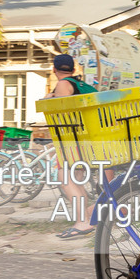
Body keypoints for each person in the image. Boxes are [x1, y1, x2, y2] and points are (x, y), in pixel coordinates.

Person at [45, 53, 98, 240]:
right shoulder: (81, 85)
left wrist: (48, 99)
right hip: (90, 139)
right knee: (75, 180)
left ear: (54, 69)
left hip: (73, 141)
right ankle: (88, 218)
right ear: (74, 70)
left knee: (64, 177)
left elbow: (63, 113)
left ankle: (82, 222)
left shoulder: (63, 85)